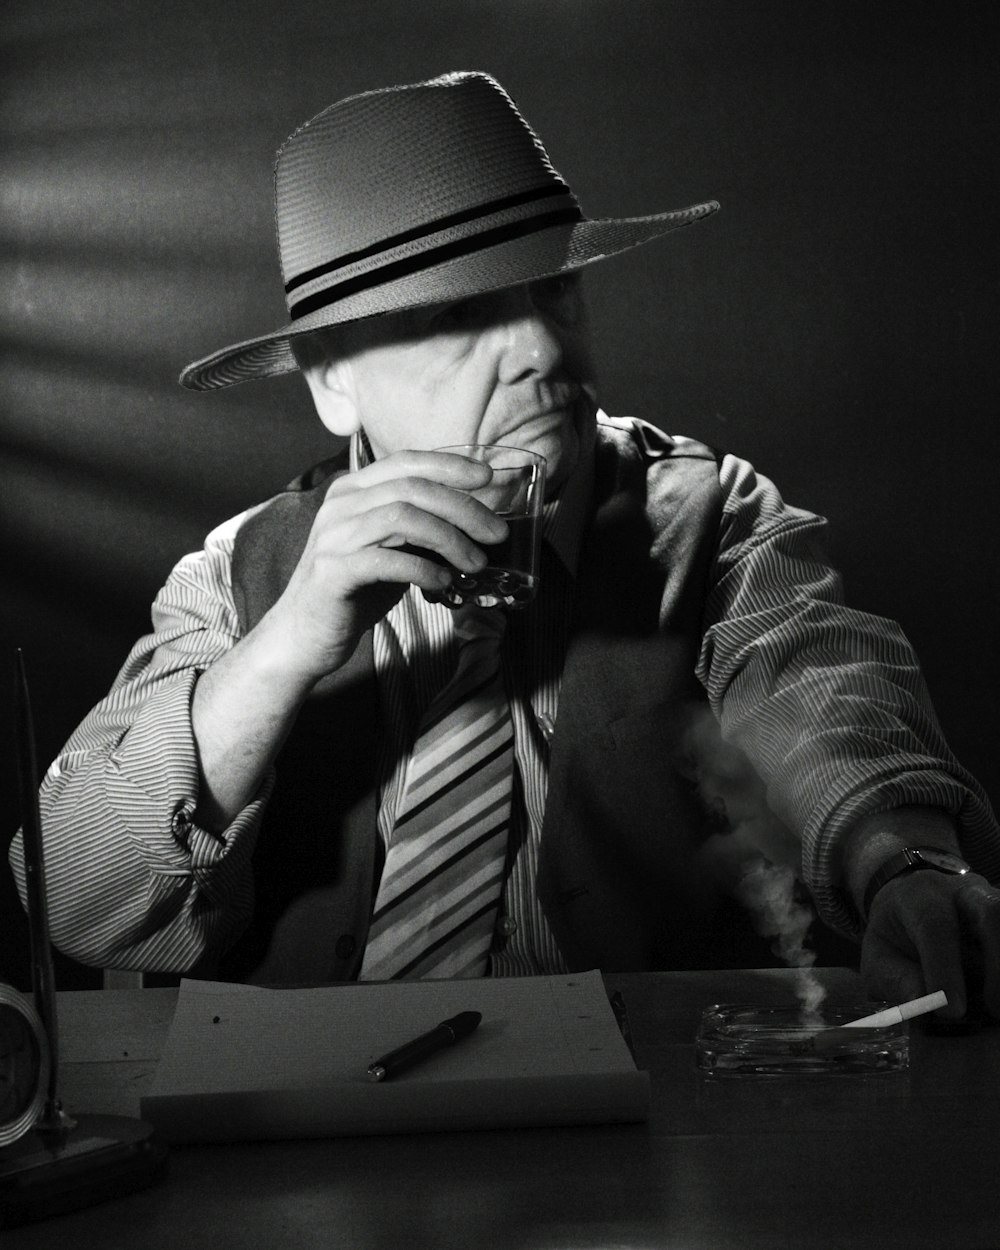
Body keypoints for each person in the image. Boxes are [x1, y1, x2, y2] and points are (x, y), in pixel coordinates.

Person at [10, 71, 1000, 1015]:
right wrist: (281, 652)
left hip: (643, 1135)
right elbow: (75, 902)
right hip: (314, 1141)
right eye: (464, 315)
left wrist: (903, 860)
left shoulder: (709, 514)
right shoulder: (236, 573)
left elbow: (823, 690)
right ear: (331, 379)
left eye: (553, 292)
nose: (540, 349)